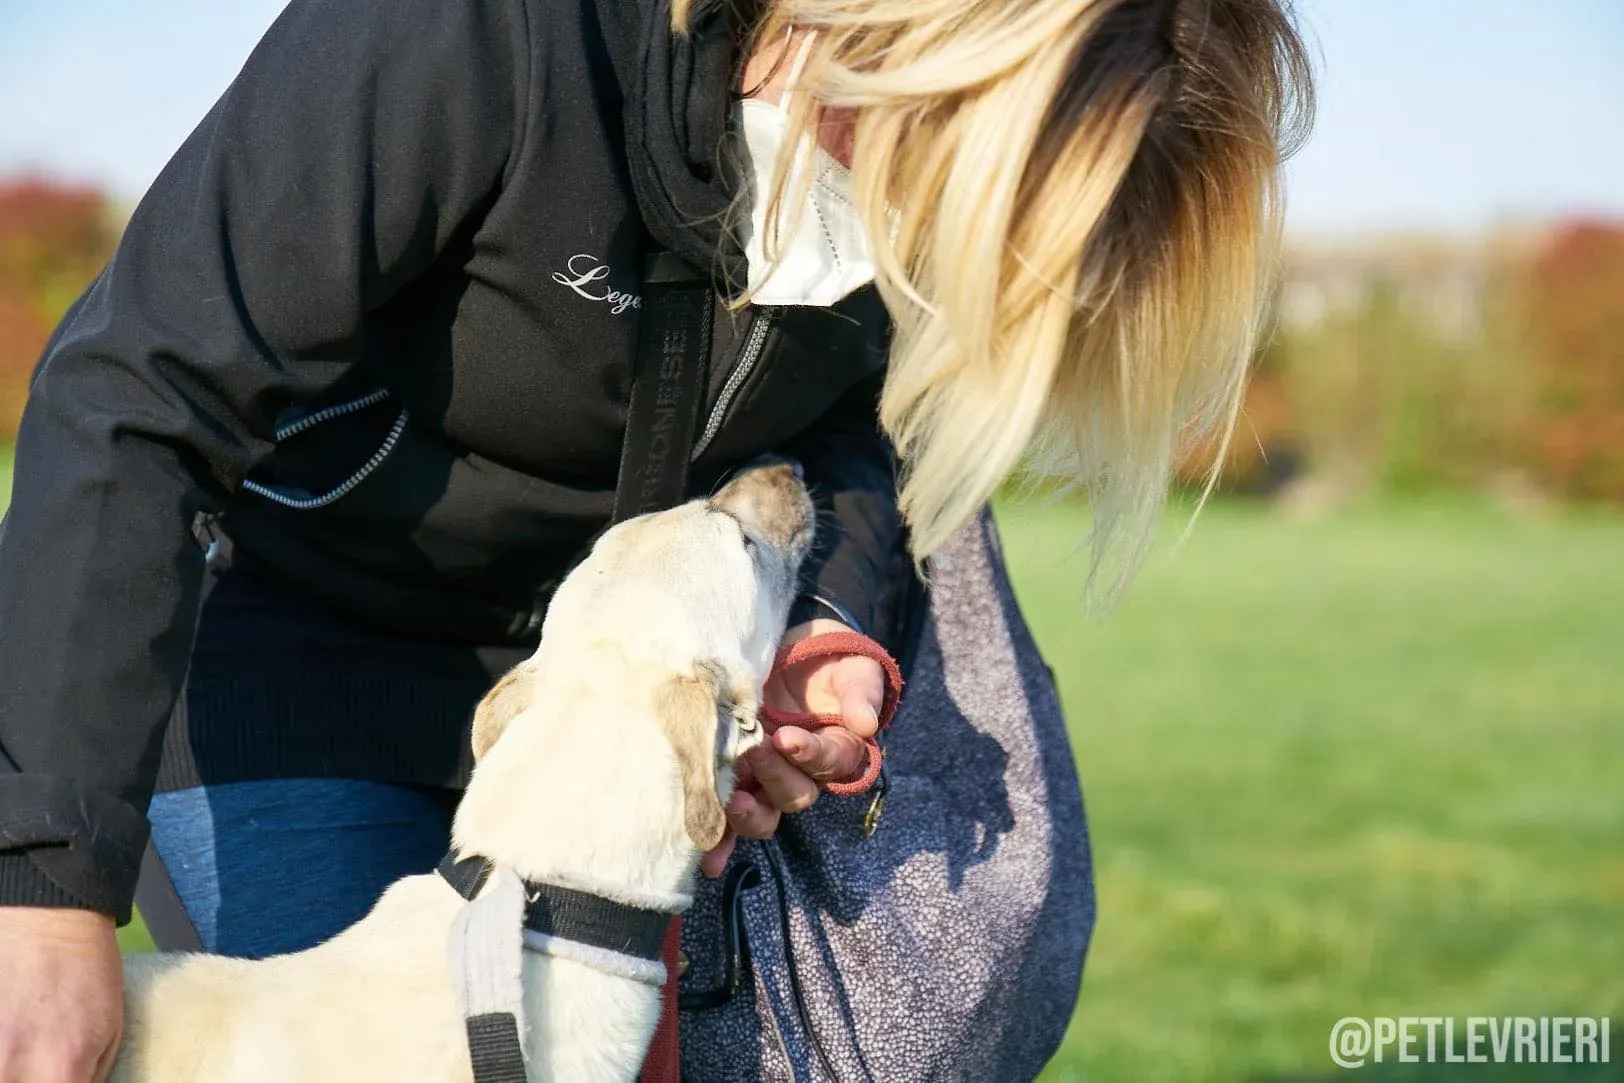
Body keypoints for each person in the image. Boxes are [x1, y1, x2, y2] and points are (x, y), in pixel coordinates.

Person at [0, 0, 1312, 1080]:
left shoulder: (883, 181)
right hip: (291, 677)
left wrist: (833, 619)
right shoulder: (484, 35)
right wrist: (48, 888)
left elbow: (863, 425)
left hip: (607, 742)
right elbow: (139, 393)